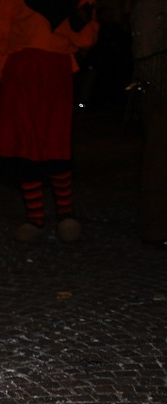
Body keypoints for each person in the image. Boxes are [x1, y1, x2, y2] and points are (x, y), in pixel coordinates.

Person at [0, 0, 98, 243]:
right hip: (21, 71)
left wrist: (78, 20)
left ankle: (66, 213)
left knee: (55, 140)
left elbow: (86, 40)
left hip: (56, 71)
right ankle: (36, 216)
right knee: (26, 141)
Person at [130, 0, 167, 245]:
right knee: (159, 152)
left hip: (154, 72)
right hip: (158, 75)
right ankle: (157, 228)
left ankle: (156, 227)